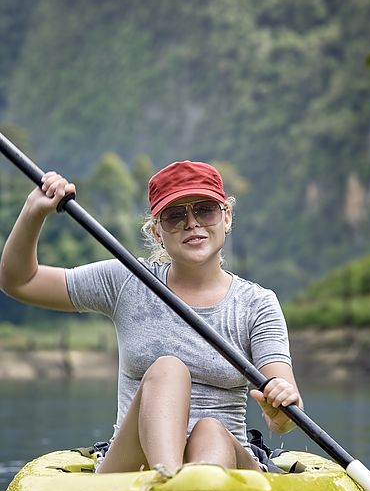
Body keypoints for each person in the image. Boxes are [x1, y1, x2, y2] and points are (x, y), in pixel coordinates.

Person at [0, 160, 303, 473]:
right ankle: (170, 481)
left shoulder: (257, 304)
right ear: (158, 232)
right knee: (168, 369)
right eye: (175, 215)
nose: (192, 223)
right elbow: (19, 281)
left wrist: (280, 408)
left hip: (223, 462)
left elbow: (281, 421)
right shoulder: (128, 280)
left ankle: (193, 489)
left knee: (211, 431)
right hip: (135, 465)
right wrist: (33, 212)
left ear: (226, 217)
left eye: (205, 210)